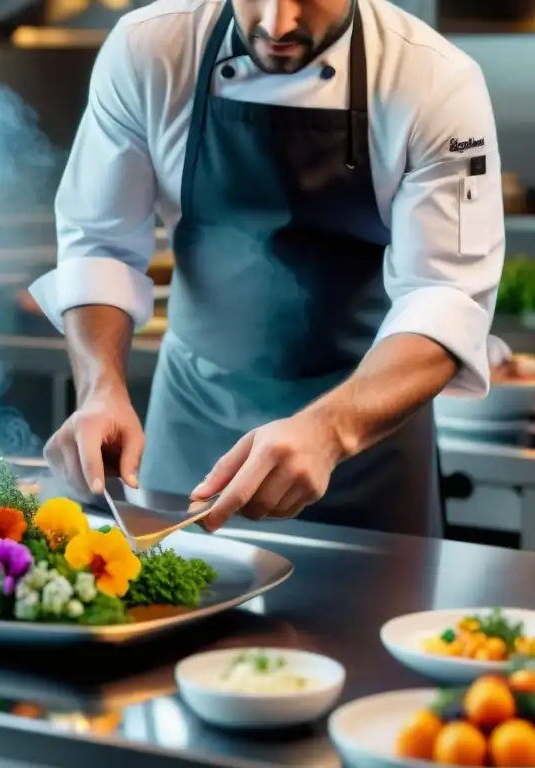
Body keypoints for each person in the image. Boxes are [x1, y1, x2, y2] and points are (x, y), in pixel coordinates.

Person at [29, 0, 505, 537]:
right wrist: (100, 388)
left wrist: (330, 432)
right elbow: (100, 245)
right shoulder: (151, 49)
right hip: (190, 428)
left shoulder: (434, 79)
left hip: (367, 445)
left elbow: (446, 297)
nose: (277, 23)